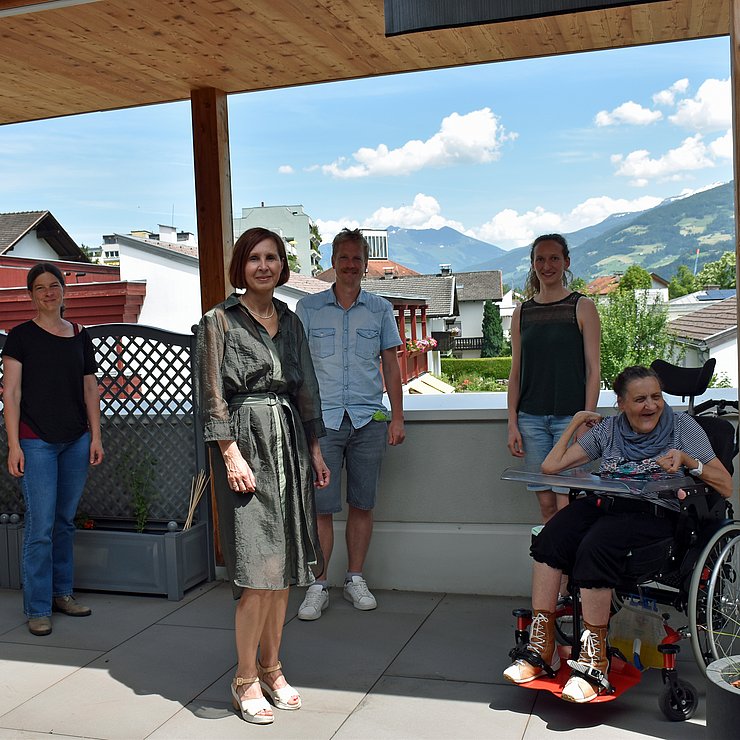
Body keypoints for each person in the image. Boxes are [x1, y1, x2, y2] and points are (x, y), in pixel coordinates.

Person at [503, 365, 733, 703]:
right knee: (552, 536)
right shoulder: (609, 429)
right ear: (621, 403)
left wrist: (687, 460)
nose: (651, 406)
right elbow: (551, 467)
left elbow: (725, 484)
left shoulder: (682, 426)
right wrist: (576, 423)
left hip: (657, 514)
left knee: (597, 545)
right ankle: (544, 648)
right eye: (640, 399)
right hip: (608, 504)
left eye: (656, 397)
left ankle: (595, 664)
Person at [195, 227, 329, 725]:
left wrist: (314, 449)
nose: (264, 266)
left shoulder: (290, 321)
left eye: (273, 257)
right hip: (246, 446)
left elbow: (307, 389)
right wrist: (230, 454)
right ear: (240, 265)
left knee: (284, 568)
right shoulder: (218, 322)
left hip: (289, 444)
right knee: (256, 570)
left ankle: (273, 668)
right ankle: (244, 678)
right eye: (254, 258)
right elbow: (212, 396)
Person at [295, 228, 405, 620]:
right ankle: (319, 584)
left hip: (368, 419)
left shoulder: (380, 309)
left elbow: (391, 364)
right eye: (343, 257)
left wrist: (397, 416)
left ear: (365, 263)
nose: (350, 265)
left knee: (362, 503)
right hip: (322, 424)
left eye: (357, 258)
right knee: (321, 507)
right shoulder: (308, 310)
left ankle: (355, 578)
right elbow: (299, 369)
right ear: (333, 261)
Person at [2, 262, 104, 637]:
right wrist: (13, 444)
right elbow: (10, 393)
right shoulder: (21, 336)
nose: (48, 292)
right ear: (31, 294)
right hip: (36, 441)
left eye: (54, 285)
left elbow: (90, 389)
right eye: (40, 287)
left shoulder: (80, 335)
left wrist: (95, 436)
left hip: (76, 440)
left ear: (64, 291)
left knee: (63, 523)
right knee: (40, 527)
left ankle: (63, 594)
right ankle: (38, 607)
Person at [507, 233, 600, 523]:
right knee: (546, 506)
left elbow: (593, 369)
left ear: (566, 262)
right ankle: (552, 569)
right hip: (531, 421)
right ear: (533, 264)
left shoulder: (582, 306)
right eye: (540, 259)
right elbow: (516, 372)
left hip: (570, 422)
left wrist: (586, 421)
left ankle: (572, 570)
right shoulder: (522, 312)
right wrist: (512, 422)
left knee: (567, 505)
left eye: (554, 258)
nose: (547, 265)